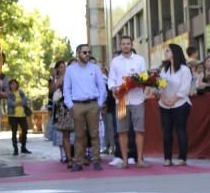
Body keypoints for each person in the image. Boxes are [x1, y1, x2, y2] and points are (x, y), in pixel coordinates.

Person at [62, 44, 106, 172]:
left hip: (93, 104)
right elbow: (67, 89)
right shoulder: (70, 70)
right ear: (78, 54)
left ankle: (96, 160)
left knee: (94, 134)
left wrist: (99, 104)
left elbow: (102, 87)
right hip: (77, 105)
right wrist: (70, 105)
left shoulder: (95, 68)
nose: (87, 55)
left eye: (88, 52)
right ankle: (78, 161)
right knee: (79, 135)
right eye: (84, 52)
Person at [108, 36, 149, 167]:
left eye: (128, 44)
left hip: (137, 99)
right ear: (120, 46)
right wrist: (114, 88)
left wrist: (139, 82)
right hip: (121, 100)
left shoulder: (140, 59)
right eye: (123, 44)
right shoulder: (115, 61)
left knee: (139, 130)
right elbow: (111, 79)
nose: (125, 46)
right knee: (122, 131)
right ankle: (124, 161)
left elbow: (144, 77)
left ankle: (140, 160)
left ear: (132, 45)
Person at [157, 44, 192, 167]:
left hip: (180, 104)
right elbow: (160, 86)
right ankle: (167, 158)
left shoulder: (184, 69)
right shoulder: (164, 70)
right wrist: (164, 98)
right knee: (166, 132)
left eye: (168, 51)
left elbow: (185, 88)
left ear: (175, 53)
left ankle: (182, 158)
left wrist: (174, 99)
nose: (165, 53)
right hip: (164, 104)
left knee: (180, 130)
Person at [5, 78, 31, 156]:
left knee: (25, 130)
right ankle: (15, 149)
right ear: (9, 85)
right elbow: (10, 103)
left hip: (22, 115)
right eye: (12, 84)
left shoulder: (21, 92)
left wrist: (17, 103)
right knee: (14, 132)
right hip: (13, 115)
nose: (13, 85)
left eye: (15, 83)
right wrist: (18, 103)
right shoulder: (9, 93)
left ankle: (23, 147)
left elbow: (25, 101)